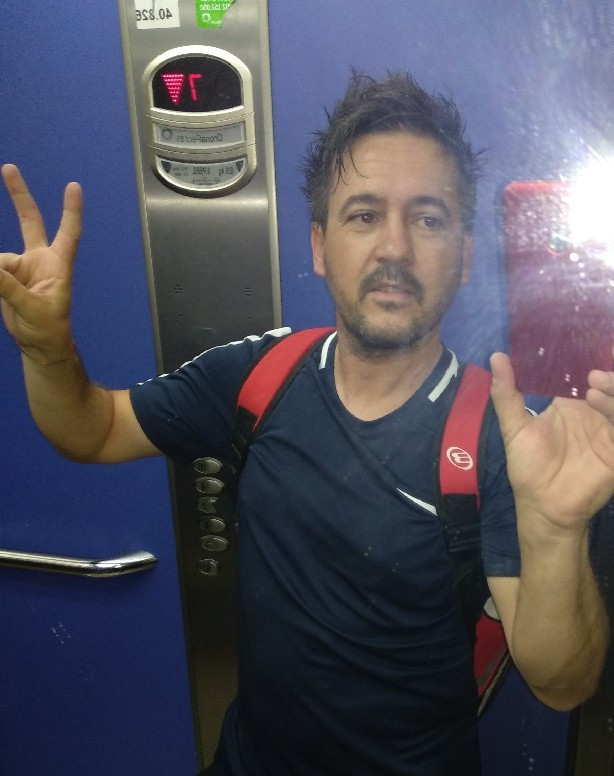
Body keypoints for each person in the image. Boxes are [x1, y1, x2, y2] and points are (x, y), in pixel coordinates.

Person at [0, 72, 612, 776]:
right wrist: (47, 352)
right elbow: (93, 429)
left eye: (428, 219)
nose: (394, 248)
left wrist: (557, 530)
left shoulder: (505, 438)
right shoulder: (260, 375)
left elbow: (562, 684)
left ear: (466, 257)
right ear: (320, 246)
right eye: (364, 215)